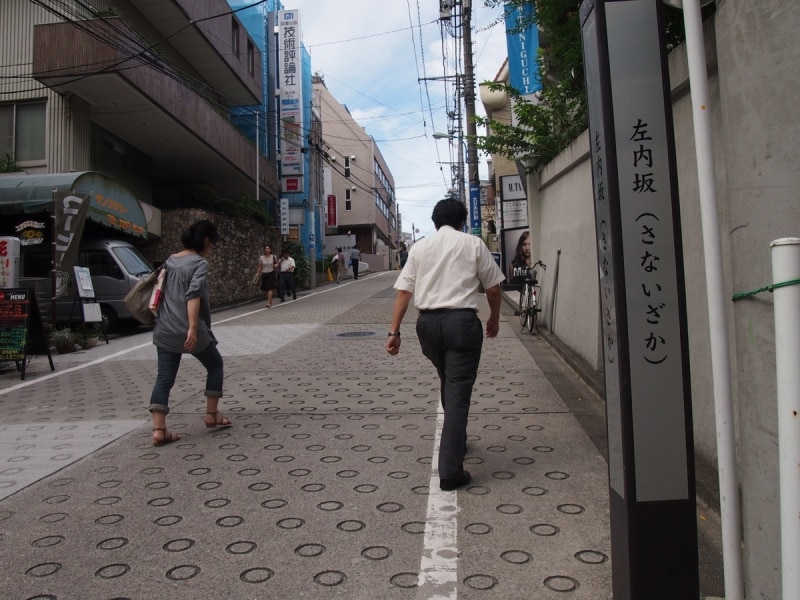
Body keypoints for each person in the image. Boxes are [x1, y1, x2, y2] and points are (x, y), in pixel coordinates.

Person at [386, 199, 505, 491]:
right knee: (458, 393)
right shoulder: (473, 244)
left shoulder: (420, 247)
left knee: (448, 379)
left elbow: (404, 292)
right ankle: (450, 471)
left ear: (436, 221)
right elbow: (492, 287)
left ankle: (458, 439)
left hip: (427, 327)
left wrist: (394, 331)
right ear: (462, 221)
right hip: (462, 324)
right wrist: (494, 319)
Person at [149, 219, 231, 446]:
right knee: (215, 365)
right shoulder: (199, 263)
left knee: (164, 378)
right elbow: (193, 294)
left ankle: (159, 429)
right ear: (206, 241)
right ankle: (211, 414)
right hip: (187, 329)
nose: (211, 247)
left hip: (164, 328)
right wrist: (193, 327)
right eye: (212, 243)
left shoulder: (170, 260)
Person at [253, 243, 278, 308]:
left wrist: (276, 265)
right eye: (265, 249)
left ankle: (268, 302)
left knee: (270, 288)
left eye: (268, 248)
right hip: (264, 273)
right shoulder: (261, 258)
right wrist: (257, 273)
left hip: (271, 273)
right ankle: (270, 301)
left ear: (270, 250)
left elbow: (276, 264)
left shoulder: (273, 257)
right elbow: (259, 267)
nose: (267, 250)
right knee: (266, 288)